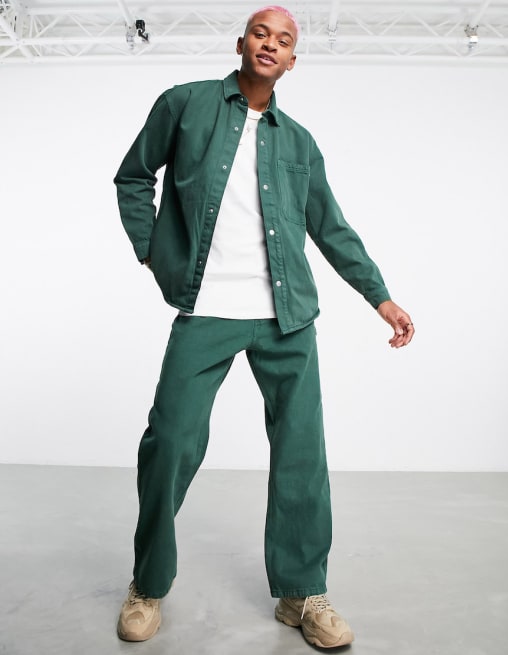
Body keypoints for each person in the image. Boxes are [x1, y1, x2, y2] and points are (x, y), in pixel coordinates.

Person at [114, 4, 414, 649]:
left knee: (302, 456)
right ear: (242, 43)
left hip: (287, 317)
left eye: (283, 40)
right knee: (170, 444)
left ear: (293, 61)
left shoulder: (299, 141)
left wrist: (380, 297)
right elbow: (133, 176)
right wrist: (151, 250)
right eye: (260, 33)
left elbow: (330, 227)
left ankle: (302, 593)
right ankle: (147, 584)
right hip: (207, 310)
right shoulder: (185, 104)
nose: (270, 44)